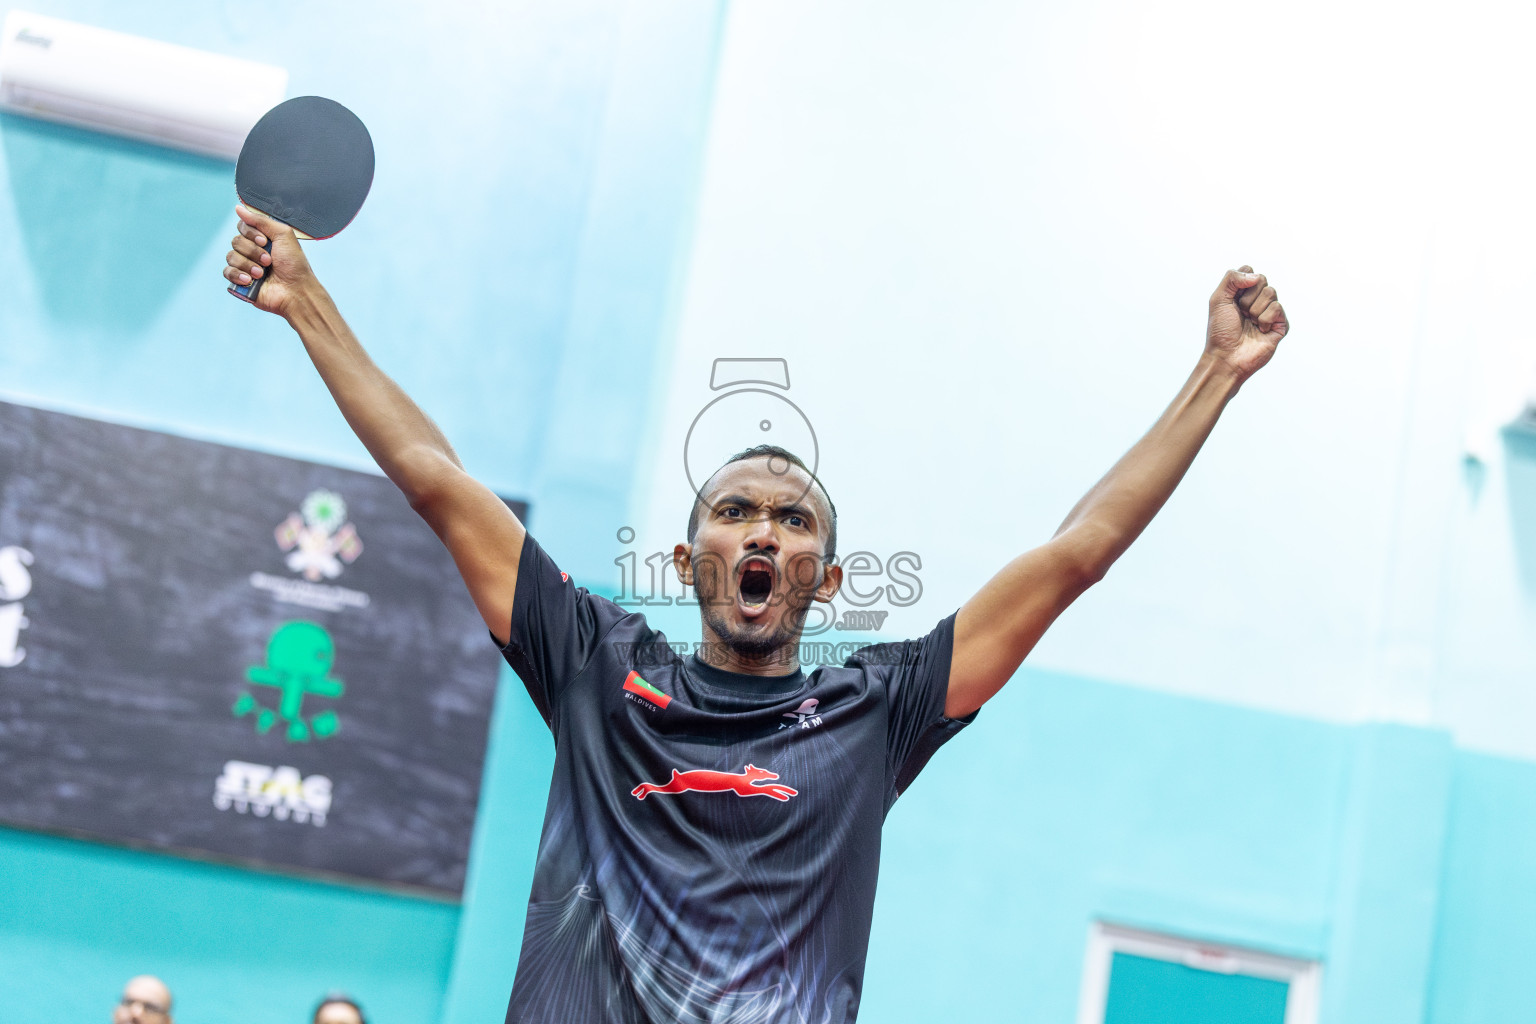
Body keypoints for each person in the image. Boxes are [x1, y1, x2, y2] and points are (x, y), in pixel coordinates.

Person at [223, 206, 1287, 1024]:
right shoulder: (597, 666)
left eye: (794, 520)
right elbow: (436, 481)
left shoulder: (879, 708)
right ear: (691, 560)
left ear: (827, 578)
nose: (765, 533)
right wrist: (306, 300)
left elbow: (1075, 555)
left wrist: (1216, 373)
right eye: (735, 512)